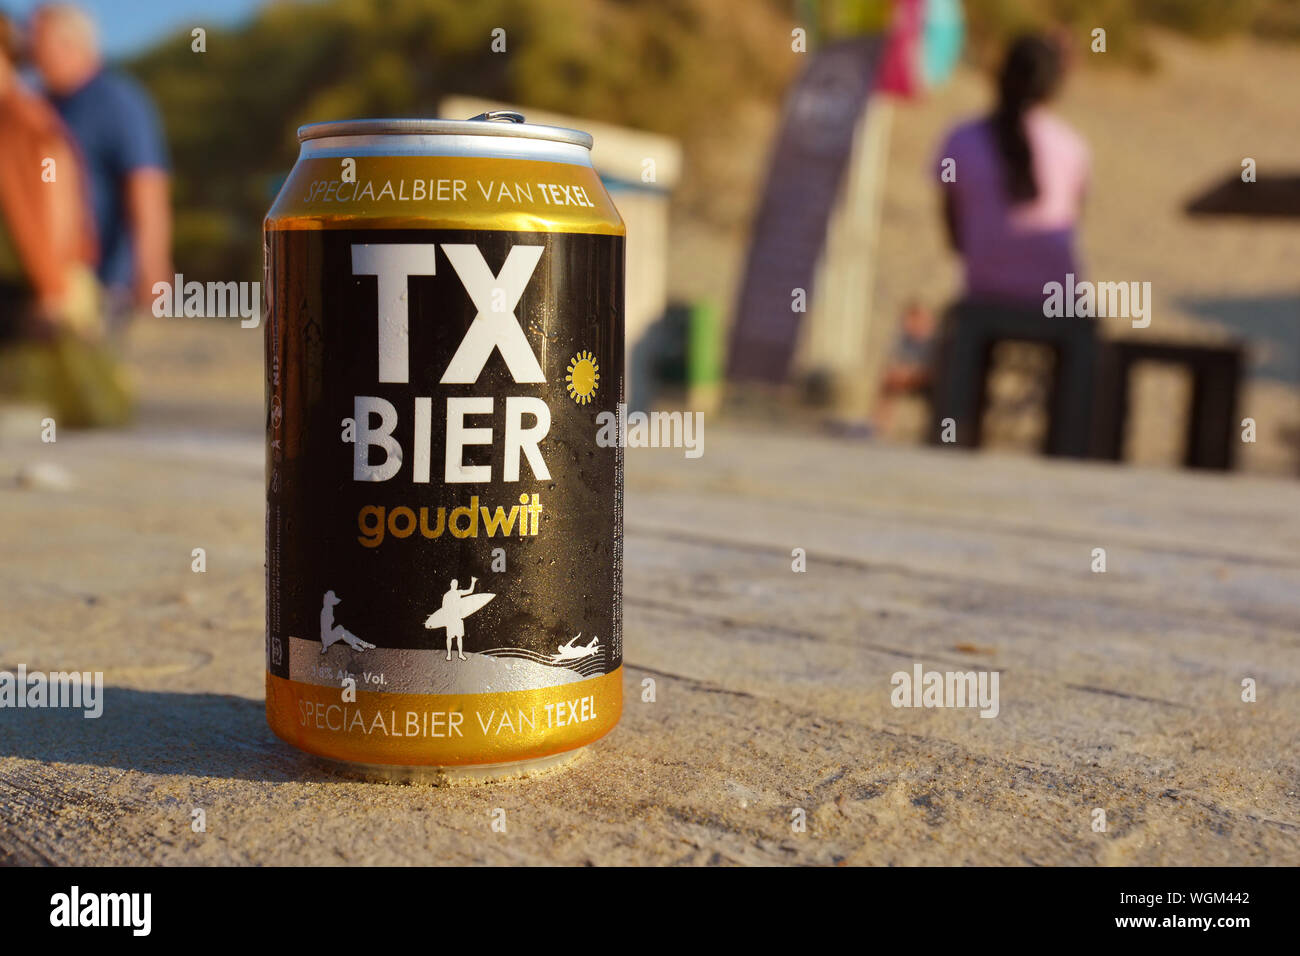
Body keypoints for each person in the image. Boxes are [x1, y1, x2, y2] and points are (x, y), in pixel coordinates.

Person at [0, 10, 130, 428]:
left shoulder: (21, 120)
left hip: (41, 287)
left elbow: (55, 205)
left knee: (74, 415)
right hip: (33, 286)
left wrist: (50, 288)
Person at [28, 3, 171, 331]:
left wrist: (152, 270)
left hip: (106, 281)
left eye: (38, 42)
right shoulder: (38, 104)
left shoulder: (118, 101)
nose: (31, 53)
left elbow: (146, 186)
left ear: (71, 44)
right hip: (50, 279)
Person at [936, 33, 1089, 307]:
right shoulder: (1072, 147)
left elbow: (954, 234)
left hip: (984, 292)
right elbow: (1073, 222)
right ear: (1052, 87)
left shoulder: (960, 140)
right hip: (1060, 304)